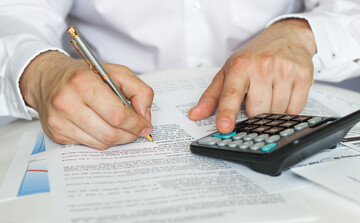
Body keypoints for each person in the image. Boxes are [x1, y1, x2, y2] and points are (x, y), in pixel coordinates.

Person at [0, 0, 359, 150]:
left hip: (291, 99)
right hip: (98, 109)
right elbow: (15, 12)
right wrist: (41, 71)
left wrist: (300, 34)